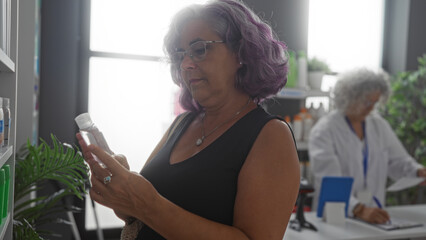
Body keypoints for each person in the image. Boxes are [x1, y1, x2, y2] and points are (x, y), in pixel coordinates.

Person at [77, 0, 300, 239]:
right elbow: (137, 215)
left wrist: (147, 204)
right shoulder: (181, 124)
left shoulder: (270, 135)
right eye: (180, 54)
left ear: (241, 53)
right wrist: (120, 189)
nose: (185, 64)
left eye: (200, 49)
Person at [308, 68, 426, 224]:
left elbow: (398, 160)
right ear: (349, 97)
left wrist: (417, 171)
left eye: (375, 103)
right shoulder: (324, 131)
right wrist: (358, 209)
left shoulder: (379, 125)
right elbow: (329, 180)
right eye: (367, 102)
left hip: (374, 214)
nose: (371, 108)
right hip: (337, 216)